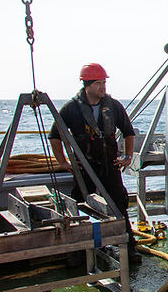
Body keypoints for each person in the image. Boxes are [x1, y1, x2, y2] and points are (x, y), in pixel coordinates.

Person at [49, 63, 140, 264]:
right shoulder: (71, 108)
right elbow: (55, 136)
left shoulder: (113, 106)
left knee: (119, 203)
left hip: (110, 165)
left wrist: (127, 156)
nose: (103, 87)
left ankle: (128, 246)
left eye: (104, 82)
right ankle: (79, 251)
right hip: (85, 167)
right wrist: (63, 162)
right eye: (98, 83)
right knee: (80, 205)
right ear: (87, 85)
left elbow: (128, 131)